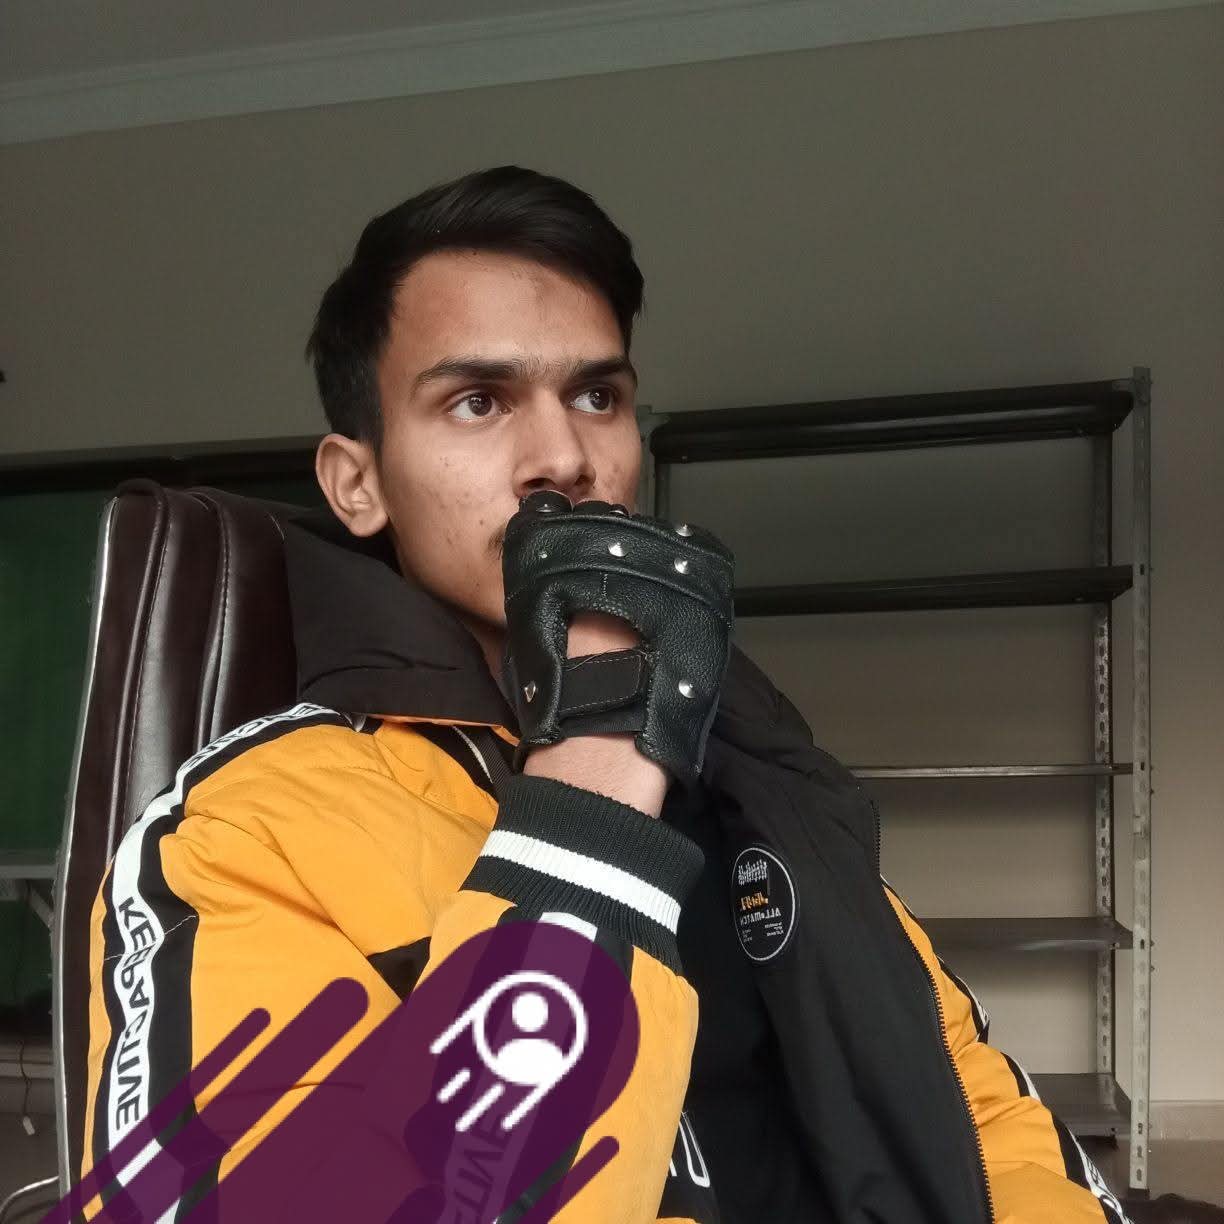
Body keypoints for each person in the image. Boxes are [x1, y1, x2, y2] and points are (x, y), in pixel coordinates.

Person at [82, 165, 1131, 1222]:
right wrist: (595, 792)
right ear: (358, 482)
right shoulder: (246, 832)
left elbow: (978, 1116)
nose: (564, 458)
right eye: (478, 401)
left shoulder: (764, 782)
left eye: (597, 397)